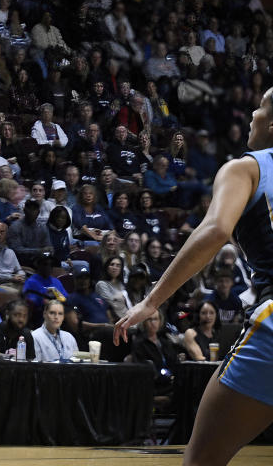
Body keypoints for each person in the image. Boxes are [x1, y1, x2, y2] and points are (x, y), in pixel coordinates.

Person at [114, 88, 273, 465]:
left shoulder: (246, 168)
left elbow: (216, 231)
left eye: (261, 107)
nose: (252, 114)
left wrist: (152, 301)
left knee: (201, 460)